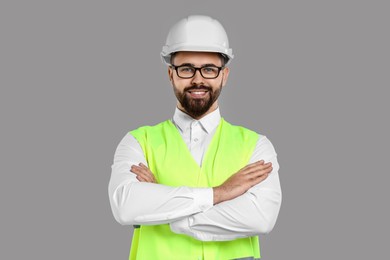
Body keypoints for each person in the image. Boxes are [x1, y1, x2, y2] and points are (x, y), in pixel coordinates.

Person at [108, 15, 282, 260]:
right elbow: (126, 207)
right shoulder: (138, 142)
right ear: (171, 74)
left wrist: (163, 210)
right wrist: (220, 193)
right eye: (187, 68)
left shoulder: (256, 146)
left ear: (225, 75)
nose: (198, 79)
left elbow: (261, 217)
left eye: (209, 69)